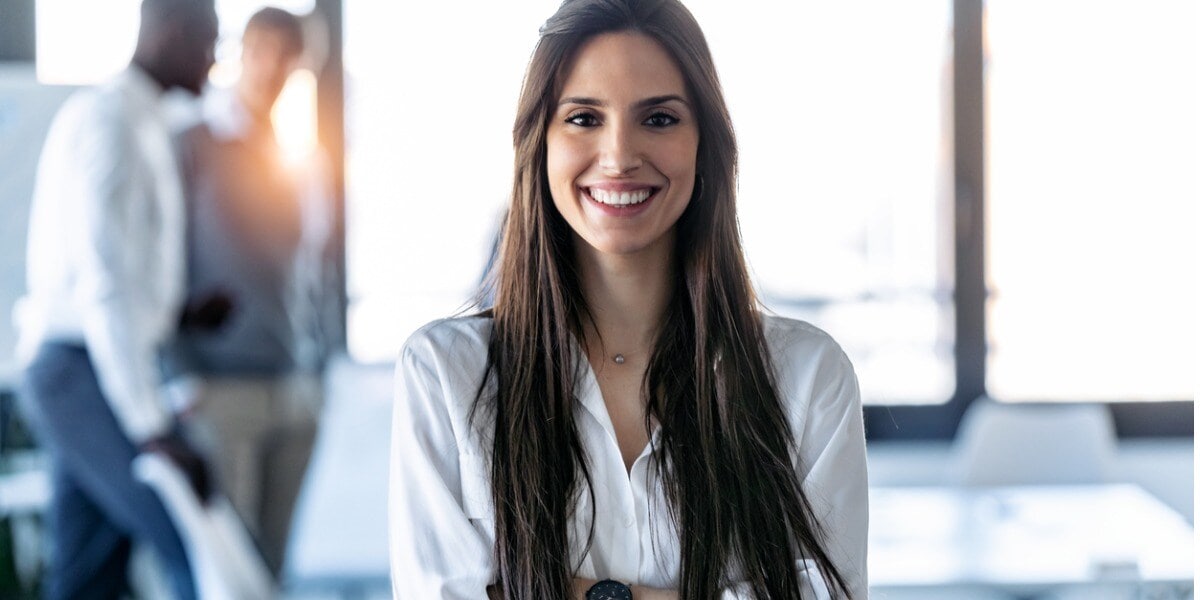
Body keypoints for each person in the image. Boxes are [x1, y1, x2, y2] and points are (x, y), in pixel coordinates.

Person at [388, 0, 868, 598]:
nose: (618, 156)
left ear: (704, 143)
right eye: (584, 118)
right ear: (539, 142)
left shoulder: (806, 376)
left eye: (660, 119)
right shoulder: (446, 374)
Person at [14, 1, 219, 598]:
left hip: (92, 363)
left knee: (87, 575)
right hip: (79, 370)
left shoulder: (146, 121)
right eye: (209, 42)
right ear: (171, 34)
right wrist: (150, 426)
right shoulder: (110, 121)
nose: (214, 60)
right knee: (184, 537)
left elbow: (121, 278)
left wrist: (176, 313)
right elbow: (102, 284)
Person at [165, 6, 332, 577]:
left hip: (296, 388)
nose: (276, 70)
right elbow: (160, 266)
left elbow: (311, 274)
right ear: (243, 51)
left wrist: (319, 368)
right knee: (225, 572)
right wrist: (178, 376)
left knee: (271, 572)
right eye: (266, 53)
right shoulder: (189, 141)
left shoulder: (298, 159)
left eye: (291, 61)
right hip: (219, 390)